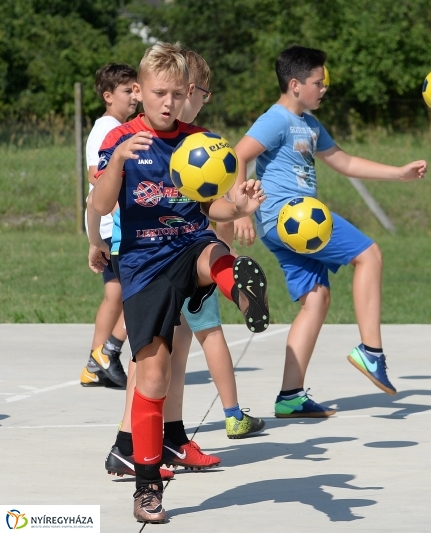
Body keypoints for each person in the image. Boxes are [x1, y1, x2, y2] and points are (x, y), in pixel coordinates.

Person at [91, 41, 270, 524]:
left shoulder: (201, 142)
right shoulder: (122, 138)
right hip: (143, 263)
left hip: (188, 245)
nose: (167, 103)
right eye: (157, 93)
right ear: (140, 92)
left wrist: (242, 207)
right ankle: (147, 489)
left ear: (187, 92)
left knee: (213, 250)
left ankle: (242, 290)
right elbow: (102, 206)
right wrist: (118, 163)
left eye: (176, 93)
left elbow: (215, 208)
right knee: (152, 375)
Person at [233, 45, 426, 417]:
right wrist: (240, 211)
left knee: (317, 298)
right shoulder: (276, 119)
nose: (324, 89)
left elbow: (346, 161)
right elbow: (238, 155)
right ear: (294, 84)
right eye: (318, 83)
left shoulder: (309, 123)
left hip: (287, 226)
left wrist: (398, 173)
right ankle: (371, 352)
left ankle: (291, 397)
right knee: (369, 255)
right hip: (294, 215)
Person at [79, 63, 138, 388]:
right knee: (133, 293)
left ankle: (94, 363)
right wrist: (119, 205)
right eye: (128, 91)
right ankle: (108, 351)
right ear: (107, 95)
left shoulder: (114, 126)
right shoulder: (107, 128)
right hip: (111, 224)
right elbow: (94, 173)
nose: (134, 97)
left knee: (114, 295)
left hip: (106, 224)